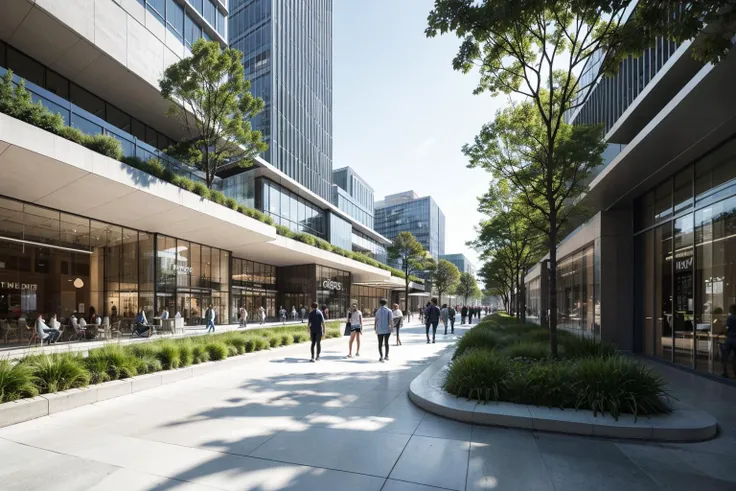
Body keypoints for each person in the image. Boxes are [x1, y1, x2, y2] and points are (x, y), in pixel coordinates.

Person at [722, 304, 736, 378]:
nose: (729, 310)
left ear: (733, 310)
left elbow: (727, 328)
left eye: (730, 309)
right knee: (735, 358)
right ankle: (735, 374)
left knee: (725, 356)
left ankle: (725, 372)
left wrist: (725, 333)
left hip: (730, 339)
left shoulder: (730, 318)